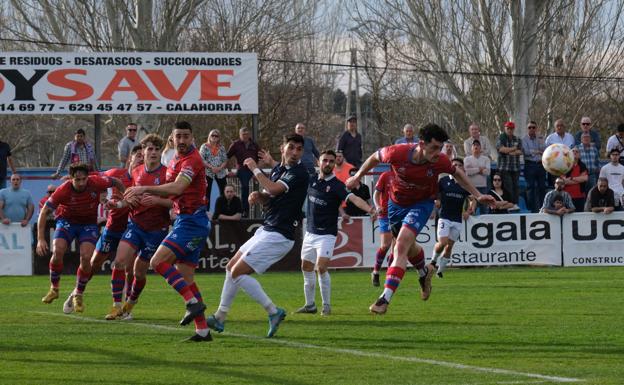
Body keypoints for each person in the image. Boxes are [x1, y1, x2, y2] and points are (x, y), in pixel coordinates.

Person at [346, 123, 494, 315]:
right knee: (410, 247)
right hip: (396, 205)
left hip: (422, 204)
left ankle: (384, 299)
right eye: (434, 148)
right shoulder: (396, 153)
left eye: (440, 148)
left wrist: (477, 195)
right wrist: (357, 176)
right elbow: (375, 157)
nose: (437, 153)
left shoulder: (439, 161)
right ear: (421, 144)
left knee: (401, 245)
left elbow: (457, 173)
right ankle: (424, 274)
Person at [206, 134, 309, 338]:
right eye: (291, 147)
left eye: (299, 149)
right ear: (283, 148)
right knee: (230, 268)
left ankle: (273, 311)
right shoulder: (280, 169)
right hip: (268, 229)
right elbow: (271, 197)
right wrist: (259, 197)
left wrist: (254, 168)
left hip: (281, 235)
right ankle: (220, 316)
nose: (295, 152)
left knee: (238, 273)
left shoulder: (299, 173)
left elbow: (273, 188)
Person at [124, 121, 211, 342]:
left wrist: (144, 188)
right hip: (186, 219)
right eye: (178, 136)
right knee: (186, 277)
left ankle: (192, 303)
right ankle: (203, 330)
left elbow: (178, 188)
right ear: (172, 139)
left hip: (192, 221)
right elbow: (170, 190)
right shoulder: (174, 160)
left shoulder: (192, 160)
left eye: (186, 136)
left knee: (157, 262)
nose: (182, 141)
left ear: (192, 138)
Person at [61, 145, 144, 315]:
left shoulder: (143, 179)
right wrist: (101, 195)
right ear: (130, 158)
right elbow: (93, 180)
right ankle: (76, 293)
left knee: (128, 268)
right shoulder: (115, 173)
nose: (141, 160)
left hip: (132, 229)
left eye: (143, 157)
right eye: (138, 156)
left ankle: (125, 308)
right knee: (93, 264)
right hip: (112, 228)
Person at [295, 150, 376, 316]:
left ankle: (326, 305)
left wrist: (370, 209)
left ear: (334, 164)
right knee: (306, 267)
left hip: (326, 234)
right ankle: (310, 305)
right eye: (325, 160)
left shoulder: (338, 186)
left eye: (331, 161)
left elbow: (353, 199)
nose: (328, 164)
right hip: (310, 232)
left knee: (321, 267)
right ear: (319, 162)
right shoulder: (311, 180)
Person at [36, 163, 125, 312]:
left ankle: (78, 293)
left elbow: (116, 182)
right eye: (78, 180)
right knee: (58, 251)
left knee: (86, 257)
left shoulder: (96, 181)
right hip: (67, 222)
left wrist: (123, 196)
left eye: (84, 179)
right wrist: (40, 238)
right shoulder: (63, 190)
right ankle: (54, 288)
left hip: (88, 224)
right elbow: (44, 212)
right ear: (71, 179)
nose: (82, 183)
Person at [106, 135, 172, 321]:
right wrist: (118, 205)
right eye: (149, 149)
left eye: (157, 149)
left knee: (139, 272)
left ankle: (130, 304)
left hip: (156, 230)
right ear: (142, 152)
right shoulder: (136, 172)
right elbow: (131, 199)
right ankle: (116, 306)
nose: (153, 152)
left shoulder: (167, 174)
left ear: (161, 152)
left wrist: (158, 200)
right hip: (135, 225)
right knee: (119, 262)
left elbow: (174, 203)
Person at [431, 158, 476, 278]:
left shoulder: (465, 184)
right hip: (444, 216)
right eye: (454, 164)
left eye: (459, 165)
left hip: (457, 219)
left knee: (449, 246)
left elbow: (473, 198)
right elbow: (435, 194)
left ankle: (440, 271)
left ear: (463, 168)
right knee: (443, 242)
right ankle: (433, 261)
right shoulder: (443, 180)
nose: (456, 166)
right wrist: (437, 200)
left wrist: (469, 210)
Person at [227, 127, 261, 217]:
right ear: (240, 135)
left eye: (247, 134)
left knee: (265, 185)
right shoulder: (235, 144)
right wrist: (229, 170)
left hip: (254, 169)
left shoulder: (255, 145)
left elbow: (261, 159)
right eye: (243, 134)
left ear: (249, 134)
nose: (245, 136)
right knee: (245, 188)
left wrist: (256, 170)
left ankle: (262, 211)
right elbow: (227, 157)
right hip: (242, 169)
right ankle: (244, 211)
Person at [371, 171, 394, 287]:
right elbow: (376, 194)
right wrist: (378, 206)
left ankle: (389, 276)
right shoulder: (386, 175)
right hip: (385, 214)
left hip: (399, 213)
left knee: (396, 247)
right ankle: (375, 271)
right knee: (385, 245)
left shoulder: (406, 175)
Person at [199, 129, 228, 212]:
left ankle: (223, 211)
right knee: (206, 194)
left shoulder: (221, 147)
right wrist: (211, 167)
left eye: (216, 136)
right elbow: (201, 160)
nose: (214, 137)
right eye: (213, 135)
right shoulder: (204, 146)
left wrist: (219, 168)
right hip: (208, 173)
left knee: (224, 193)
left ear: (219, 138)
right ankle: (206, 212)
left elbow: (225, 160)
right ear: (209, 136)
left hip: (221, 173)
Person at [522, 121, 546, 212]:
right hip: (529, 165)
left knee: (542, 187)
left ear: (536, 128)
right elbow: (526, 152)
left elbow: (544, 150)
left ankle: (543, 208)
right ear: (527, 129)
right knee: (530, 188)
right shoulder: (524, 139)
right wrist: (537, 151)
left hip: (541, 165)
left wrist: (535, 151)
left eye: (533, 127)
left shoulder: (540, 137)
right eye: (529, 127)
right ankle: (530, 209)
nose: (531, 129)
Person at [496, 121, 522, 204]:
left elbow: (520, 151)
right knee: (508, 187)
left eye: (511, 129)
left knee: (516, 187)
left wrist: (508, 151)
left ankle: (515, 204)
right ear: (505, 128)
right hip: (504, 167)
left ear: (513, 129)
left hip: (515, 167)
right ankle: (509, 204)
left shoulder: (517, 139)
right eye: (508, 128)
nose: (509, 130)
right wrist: (513, 148)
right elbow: (501, 149)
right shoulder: (501, 138)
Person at [463, 140, 490, 213]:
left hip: (483, 187)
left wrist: (473, 169)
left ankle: (485, 222)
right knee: (470, 207)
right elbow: (467, 172)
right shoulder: (467, 159)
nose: (476, 146)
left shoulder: (486, 159)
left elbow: (487, 172)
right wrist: (479, 169)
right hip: (471, 187)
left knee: (484, 208)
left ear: (480, 147)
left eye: (478, 145)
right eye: (474, 145)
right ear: (471, 148)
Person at [562, 147, 588, 212]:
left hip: (580, 196)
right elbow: (564, 181)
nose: (575, 153)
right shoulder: (564, 165)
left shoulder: (582, 165)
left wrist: (571, 178)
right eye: (573, 151)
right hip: (567, 196)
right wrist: (578, 179)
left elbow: (585, 178)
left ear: (580, 155)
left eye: (577, 151)